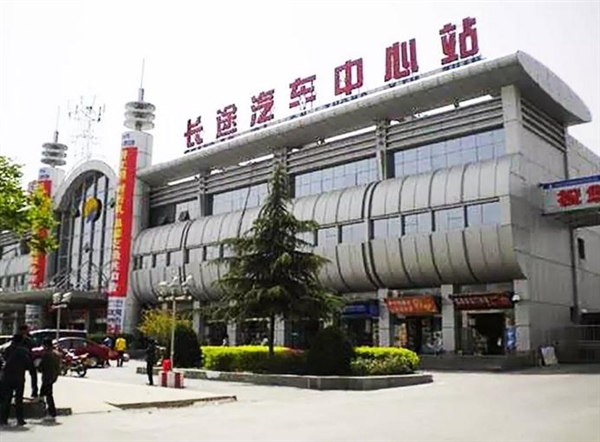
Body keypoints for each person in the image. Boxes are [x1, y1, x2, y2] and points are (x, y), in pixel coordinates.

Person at [0, 334, 32, 426]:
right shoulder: (24, 351)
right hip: (19, 377)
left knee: (7, 399)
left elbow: (3, 360)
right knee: (19, 399)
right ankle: (20, 419)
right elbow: (28, 364)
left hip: (7, 377)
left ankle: (3, 419)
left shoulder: (7, 349)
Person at [39, 338, 60, 423]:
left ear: (46, 345)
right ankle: (50, 411)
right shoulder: (56, 354)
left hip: (47, 377)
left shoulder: (47, 354)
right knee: (47, 394)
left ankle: (50, 412)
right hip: (53, 377)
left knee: (47, 395)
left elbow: (41, 367)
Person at [19, 325, 38, 398]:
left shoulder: (30, 337)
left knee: (33, 375)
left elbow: (34, 344)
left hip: (29, 358)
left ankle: (34, 391)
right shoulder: (18, 337)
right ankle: (19, 392)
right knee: (20, 376)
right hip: (21, 359)